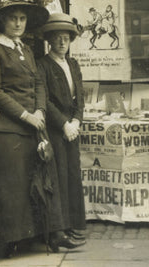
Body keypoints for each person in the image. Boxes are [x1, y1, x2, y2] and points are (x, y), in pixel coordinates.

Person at [0, 0, 83, 256]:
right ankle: (11, 239)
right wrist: (26, 115)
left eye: (22, 18)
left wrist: (39, 110)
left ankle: (54, 235)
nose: (18, 23)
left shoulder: (25, 49)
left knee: (46, 181)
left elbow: (38, 82)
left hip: (35, 124)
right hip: (8, 128)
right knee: (13, 187)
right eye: (13, 18)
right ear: (3, 21)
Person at [37, 13, 87, 246]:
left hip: (72, 128)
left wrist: (76, 120)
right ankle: (60, 229)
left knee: (72, 174)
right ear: (49, 40)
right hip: (55, 129)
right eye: (57, 38)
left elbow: (80, 96)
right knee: (58, 177)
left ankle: (73, 225)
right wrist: (64, 124)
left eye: (65, 38)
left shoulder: (73, 64)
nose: (62, 42)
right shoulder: (43, 65)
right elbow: (44, 100)